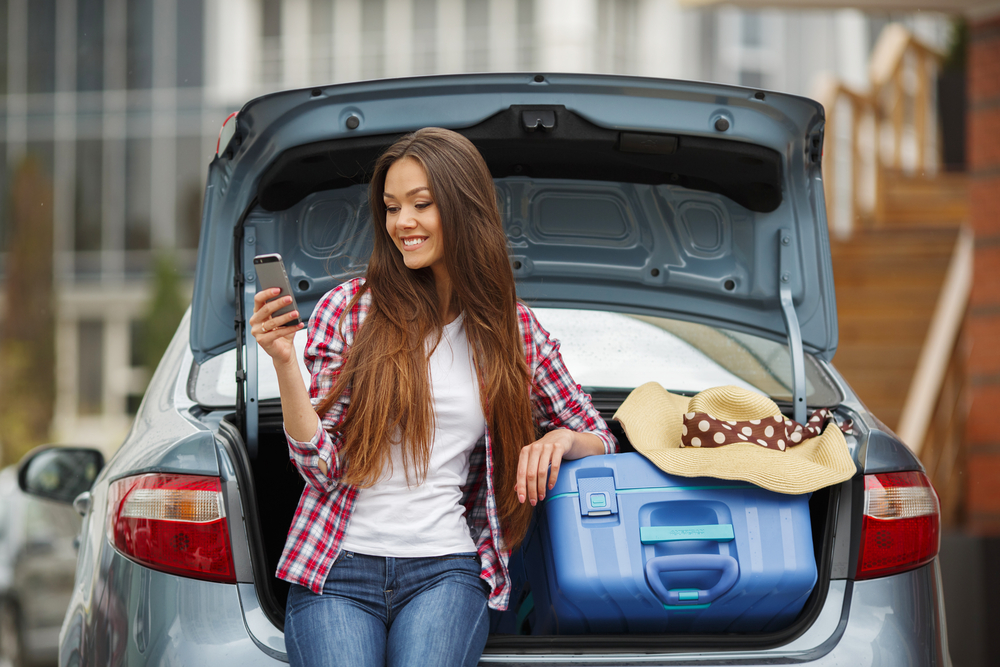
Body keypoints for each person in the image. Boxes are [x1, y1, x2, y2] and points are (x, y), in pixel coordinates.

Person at [250, 127, 616, 667]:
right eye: (392, 207)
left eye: (421, 204)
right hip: (336, 566)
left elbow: (601, 436)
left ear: (463, 208)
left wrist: (561, 438)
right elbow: (319, 467)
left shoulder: (511, 332)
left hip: (446, 570)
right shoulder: (350, 310)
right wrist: (284, 361)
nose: (402, 223)